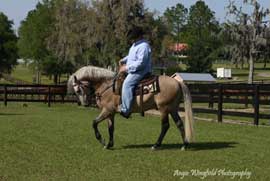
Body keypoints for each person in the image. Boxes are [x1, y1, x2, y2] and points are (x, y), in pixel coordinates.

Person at [118, 26, 152, 119]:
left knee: (127, 84)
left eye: (133, 37)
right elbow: (131, 56)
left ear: (138, 36)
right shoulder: (135, 44)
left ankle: (126, 109)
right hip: (134, 69)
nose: (131, 39)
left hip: (141, 71)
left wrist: (126, 68)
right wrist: (123, 60)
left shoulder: (144, 46)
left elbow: (141, 63)